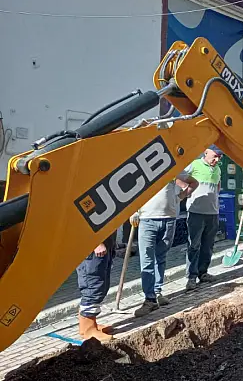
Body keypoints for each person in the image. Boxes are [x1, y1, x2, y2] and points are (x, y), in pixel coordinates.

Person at [131, 173, 199, 317]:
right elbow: (130, 191)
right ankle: (149, 299)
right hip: (147, 219)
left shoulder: (172, 169)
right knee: (147, 260)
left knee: (160, 258)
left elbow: (194, 183)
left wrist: (178, 198)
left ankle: (157, 292)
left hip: (169, 220)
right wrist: (132, 211)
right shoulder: (142, 171)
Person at [184, 146, 222, 291]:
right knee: (194, 245)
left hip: (212, 213)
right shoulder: (194, 165)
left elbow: (217, 187)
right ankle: (191, 277)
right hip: (196, 212)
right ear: (206, 152)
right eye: (214, 156)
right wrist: (185, 193)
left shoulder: (218, 169)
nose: (216, 159)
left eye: (219, 157)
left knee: (208, 245)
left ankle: (203, 272)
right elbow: (179, 178)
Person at [76, 233, 117, 342]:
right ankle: (88, 329)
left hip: (106, 242)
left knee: (101, 287)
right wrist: (95, 243)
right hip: (92, 249)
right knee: (92, 287)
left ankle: (90, 323)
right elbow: (81, 223)